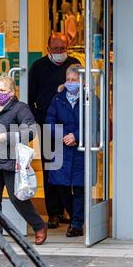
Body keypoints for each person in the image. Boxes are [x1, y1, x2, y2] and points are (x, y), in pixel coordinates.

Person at [0, 75, 48, 247]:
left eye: (2, 90)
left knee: (17, 198)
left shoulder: (20, 109)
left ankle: (39, 225)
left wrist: (9, 136)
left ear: (12, 92)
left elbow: (32, 131)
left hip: (12, 161)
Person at [28, 32, 80, 229]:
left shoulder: (74, 64)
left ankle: (69, 209)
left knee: (70, 168)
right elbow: (31, 96)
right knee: (51, 168)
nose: (60, 53)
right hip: (47, 125)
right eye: (56, 49)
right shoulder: (38, 67)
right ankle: (54, 213)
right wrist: (38, 120)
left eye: (63, 49)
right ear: (48, 48)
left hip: (71, 126)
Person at [46, 63, 84, 237]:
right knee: (60, 185)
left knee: (78, 188)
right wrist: (62, 135)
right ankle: (72, 214)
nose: (71, 83)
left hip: (80, 151)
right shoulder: (58, 98)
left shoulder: (90, 99)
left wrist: (75, 136)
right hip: (61, 149)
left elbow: (96, 124)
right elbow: (49, 121)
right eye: (68, 79)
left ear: (82, 81)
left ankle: (76, 223)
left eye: (74, 80)